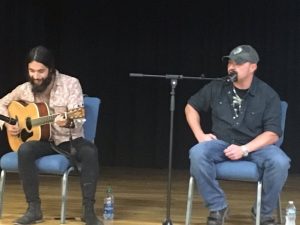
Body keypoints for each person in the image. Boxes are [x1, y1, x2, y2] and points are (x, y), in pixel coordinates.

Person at [185, 45, 290, 225]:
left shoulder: (267, 94)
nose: (232, 67)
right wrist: (200, 135)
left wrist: (244, 149)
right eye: (230, 63)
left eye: (239, 63)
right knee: (197, 152)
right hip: (222, 143)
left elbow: (272, 134)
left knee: (280, 161)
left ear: (253, 67)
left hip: (256, 147)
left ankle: (262, 212)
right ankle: (218, 207)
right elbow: (191, 107)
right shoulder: (216, 86)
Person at [0, 46, 103, 225]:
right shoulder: (24, 89)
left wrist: (69, 121)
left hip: (68, 140)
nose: (36, 76)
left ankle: (88, 211)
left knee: (90, 151)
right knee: (24, 149)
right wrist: (7, 123)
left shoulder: (71, 84)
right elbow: (1, 104)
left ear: (51, 69)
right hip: (42, 142)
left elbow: (78, 117)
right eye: (31, 71)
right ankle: (34, 209)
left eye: (41, 71)